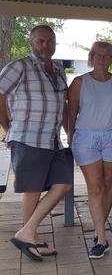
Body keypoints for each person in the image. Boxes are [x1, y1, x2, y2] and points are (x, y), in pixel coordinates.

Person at [0, 25, 72, 261]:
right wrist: (8, 127)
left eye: (50, 41)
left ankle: (26, 233)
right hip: (27, 137)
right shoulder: (19, 66)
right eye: (41, 41)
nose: (46, 46)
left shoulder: (59, 69)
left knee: (63, 184)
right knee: (32, 190)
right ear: (31, 42)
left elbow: (62, 105)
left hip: (52, 139)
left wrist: (68, 133)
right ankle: (31, 238)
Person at [68, 41, 112, 259]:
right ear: (92, 56)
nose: (103, 60)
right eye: (99, 55)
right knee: (94, 187)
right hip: (86, 137)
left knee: (107, 183)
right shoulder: (79, 82)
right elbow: (71, 113)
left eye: (107, 56)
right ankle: (102, 239)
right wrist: (71, 137)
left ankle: (99, 229)